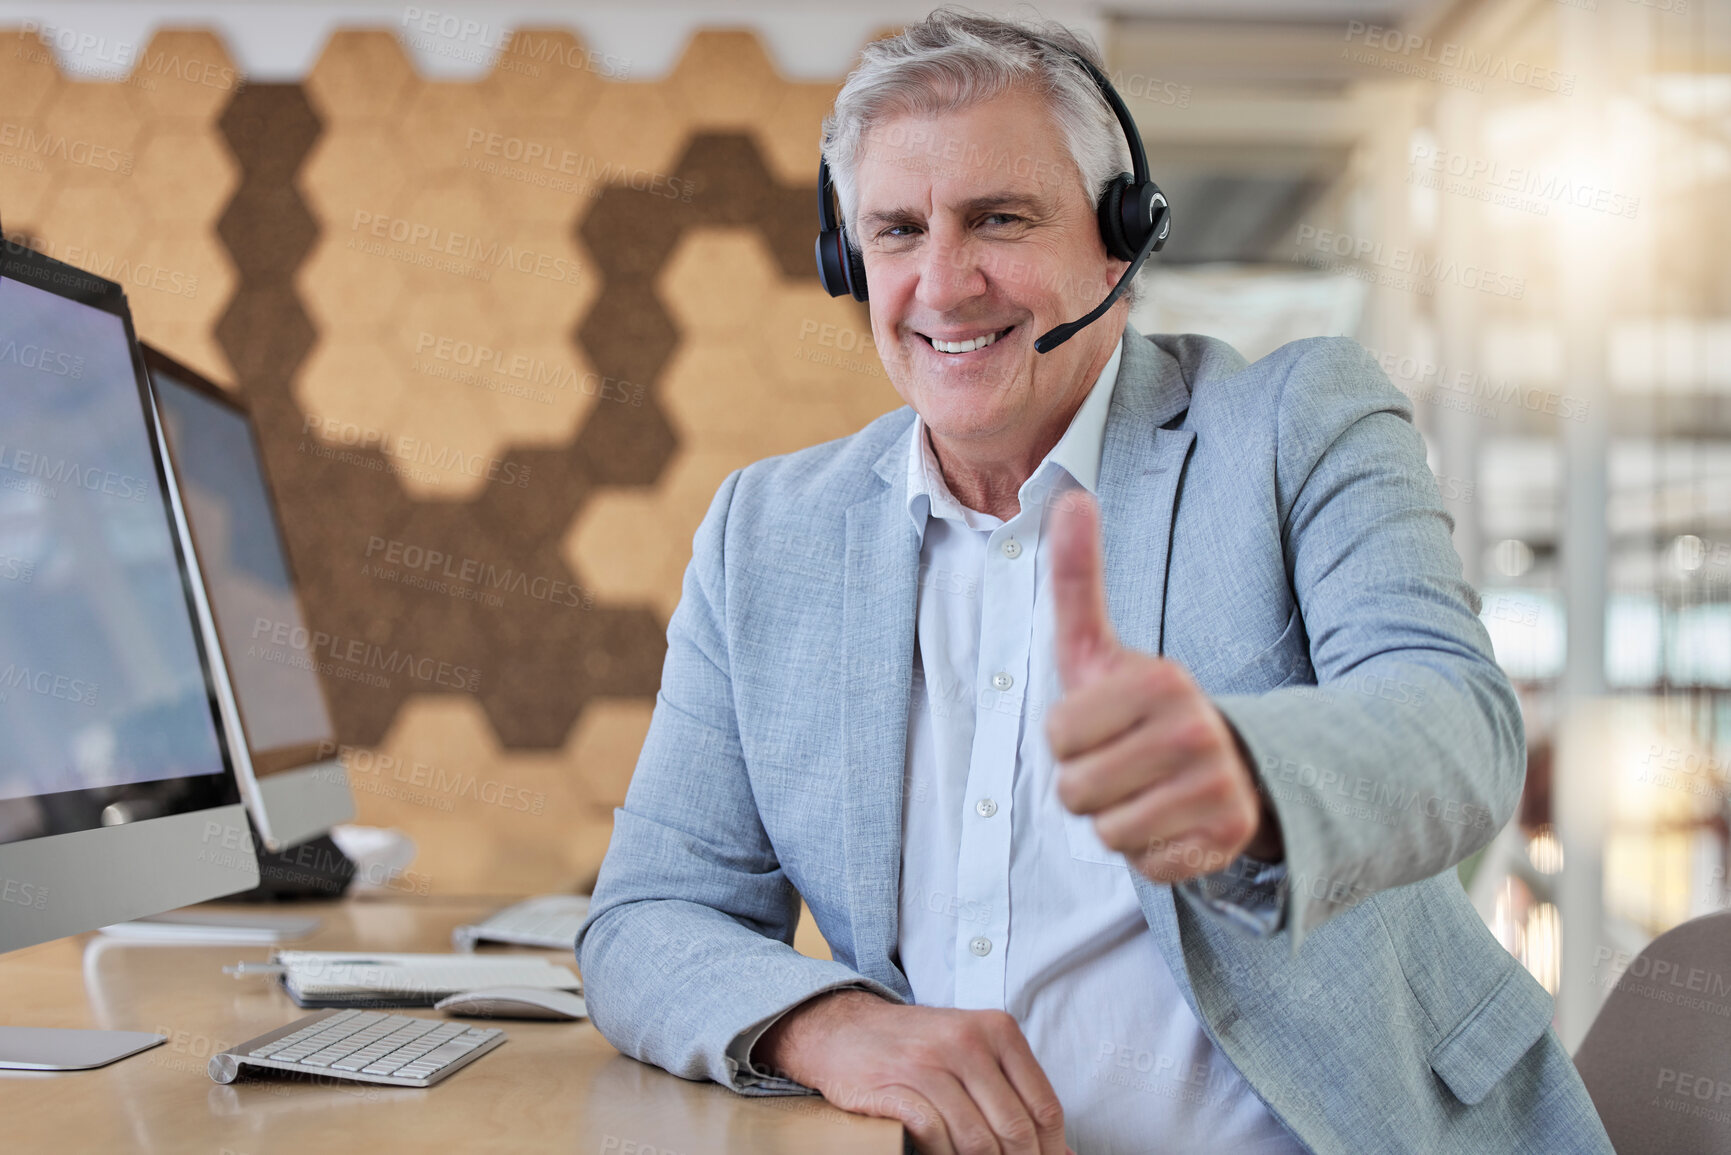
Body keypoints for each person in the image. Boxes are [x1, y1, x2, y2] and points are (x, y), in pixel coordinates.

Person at [576, 10, 1613, 1154]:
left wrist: (1250, 784)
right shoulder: (766, 534)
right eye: (897, 231)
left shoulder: (1294, 424)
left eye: (999, 219)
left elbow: (1457, 729)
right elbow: (646, 916)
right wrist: (833, 1025)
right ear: (846, 261)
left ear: (1122, 238)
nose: (943, 281)